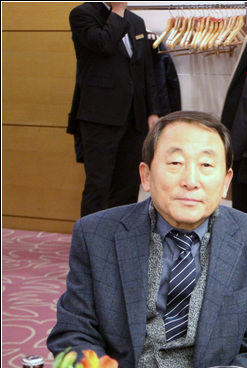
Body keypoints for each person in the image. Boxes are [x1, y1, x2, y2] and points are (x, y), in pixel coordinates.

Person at [48, 111, 247, 368]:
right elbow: (74, 335)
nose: (191, 180)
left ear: (225, 182)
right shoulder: (96, 234)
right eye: (175, 163)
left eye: (206, 165)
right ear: (146, 175)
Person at [67, 2, 160, 218]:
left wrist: (152, 111)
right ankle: (92, 237)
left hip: (134, 117)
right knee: (99, 185)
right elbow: (104, 43)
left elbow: (146, 70)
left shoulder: (136, 21)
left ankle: (121, 235)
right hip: (100, 116)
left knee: (128, 184)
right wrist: (118, 11)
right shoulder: (83, 15)